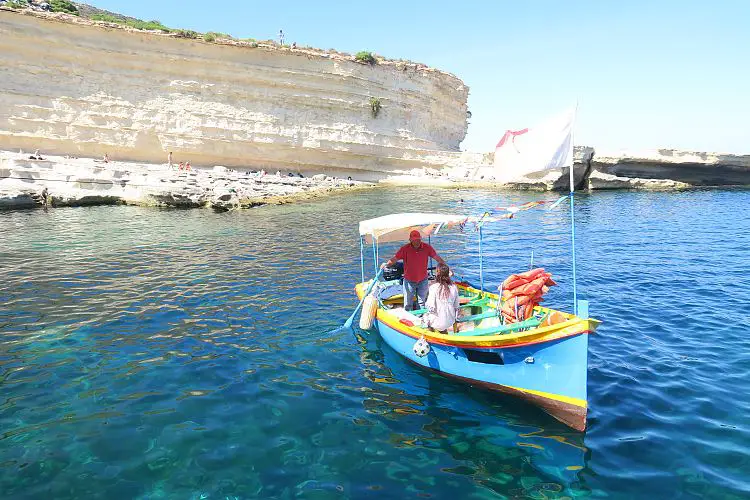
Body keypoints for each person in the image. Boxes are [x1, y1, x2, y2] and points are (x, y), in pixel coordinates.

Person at [382, 229, 445, 311]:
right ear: (410, 240)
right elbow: (395, 259)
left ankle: (422, 318)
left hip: (423, 279)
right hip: (409, 280)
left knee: (422, 302)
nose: (417, 242)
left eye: (418, 240)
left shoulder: (427, 247)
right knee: (408, 303)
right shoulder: (404, 249)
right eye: (415, 240)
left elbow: (437, 258)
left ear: (420, 239)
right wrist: (386, 265)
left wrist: (446, 268)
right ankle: (409, 318)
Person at [424, 264, 460, 334]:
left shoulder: (433, 287)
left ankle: (431, 334)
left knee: (425, 317)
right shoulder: (454, 287)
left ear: (437, 273)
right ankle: (443, 331)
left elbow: (430, 307)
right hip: (450, 321)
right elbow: (456, 306)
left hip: (438, 322)